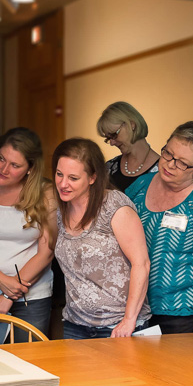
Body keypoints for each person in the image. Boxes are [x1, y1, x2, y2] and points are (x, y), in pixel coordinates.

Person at [127, 121, 193, 334]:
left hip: (181, 315)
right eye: (168, 154)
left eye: (182, 163)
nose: (170, 165)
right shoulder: (141, 186)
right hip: (137, 307)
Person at [53, 138, 151, 339]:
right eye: (59, 174)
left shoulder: (114, 206)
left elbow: (141, 264)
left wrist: (129, 320)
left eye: (73, 178)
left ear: (92, 178)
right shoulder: (62, 209)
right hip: (75, 323)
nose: (63, 184)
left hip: (118, 326)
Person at [0, 127, 57, 338]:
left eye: (15, 165)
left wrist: (9, 295)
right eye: (1, 159)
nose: (4, 169)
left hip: (31, 299)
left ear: (30, 169)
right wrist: (0, 280)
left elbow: (47, 252)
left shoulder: (47, 193)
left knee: (32, 365)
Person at [97, 102, 160, 192]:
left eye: (114, 135)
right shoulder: (108, 168)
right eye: (108, 138)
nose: (111, 143)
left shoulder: (163, 171)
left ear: (132, 125)